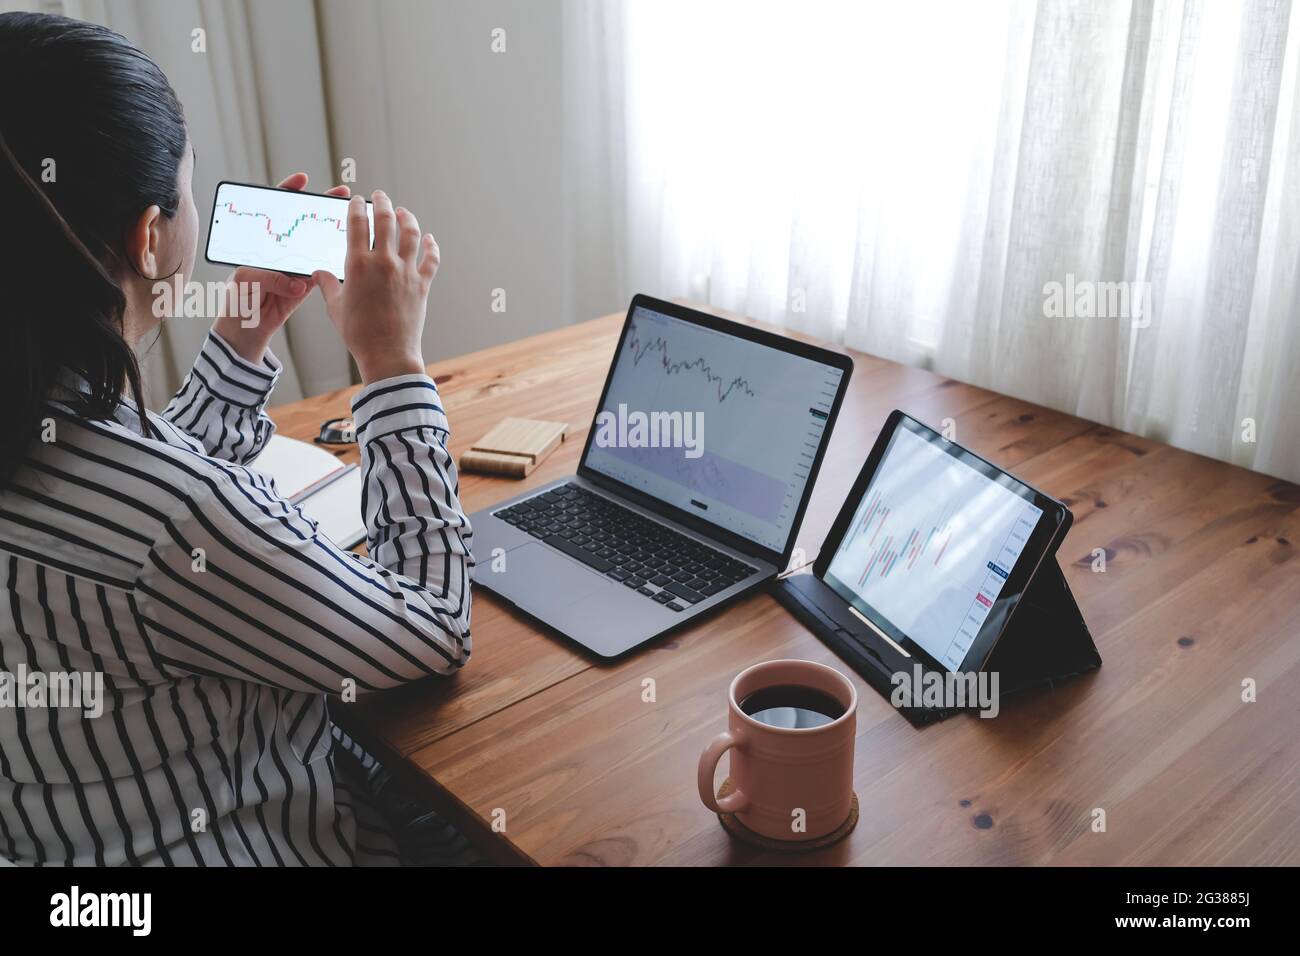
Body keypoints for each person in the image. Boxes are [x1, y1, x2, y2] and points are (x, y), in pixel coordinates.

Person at [0, 11, 473, 865]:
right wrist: (393, 362)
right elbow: (434, 628)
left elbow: (124, 496)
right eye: (186, 188)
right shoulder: (183, 513)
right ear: (151, 239)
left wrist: (245, 334)